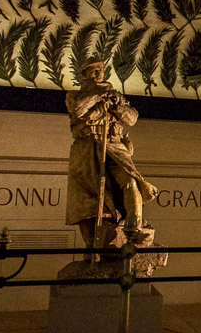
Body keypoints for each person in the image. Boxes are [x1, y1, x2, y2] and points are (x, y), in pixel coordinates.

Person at [65, 56, 158, 250]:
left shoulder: (115, 95)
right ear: (84, 74)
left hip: (114, 145)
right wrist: (99, 95)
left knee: (131, 180)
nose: (99, 73)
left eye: (101, 69)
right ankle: (96, 247)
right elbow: (78, 108)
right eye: (94, 69)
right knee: (91, 200)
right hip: (88, 149)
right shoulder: (75, 94)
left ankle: (135, 227)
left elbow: (131, 119)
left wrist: (117, 105)